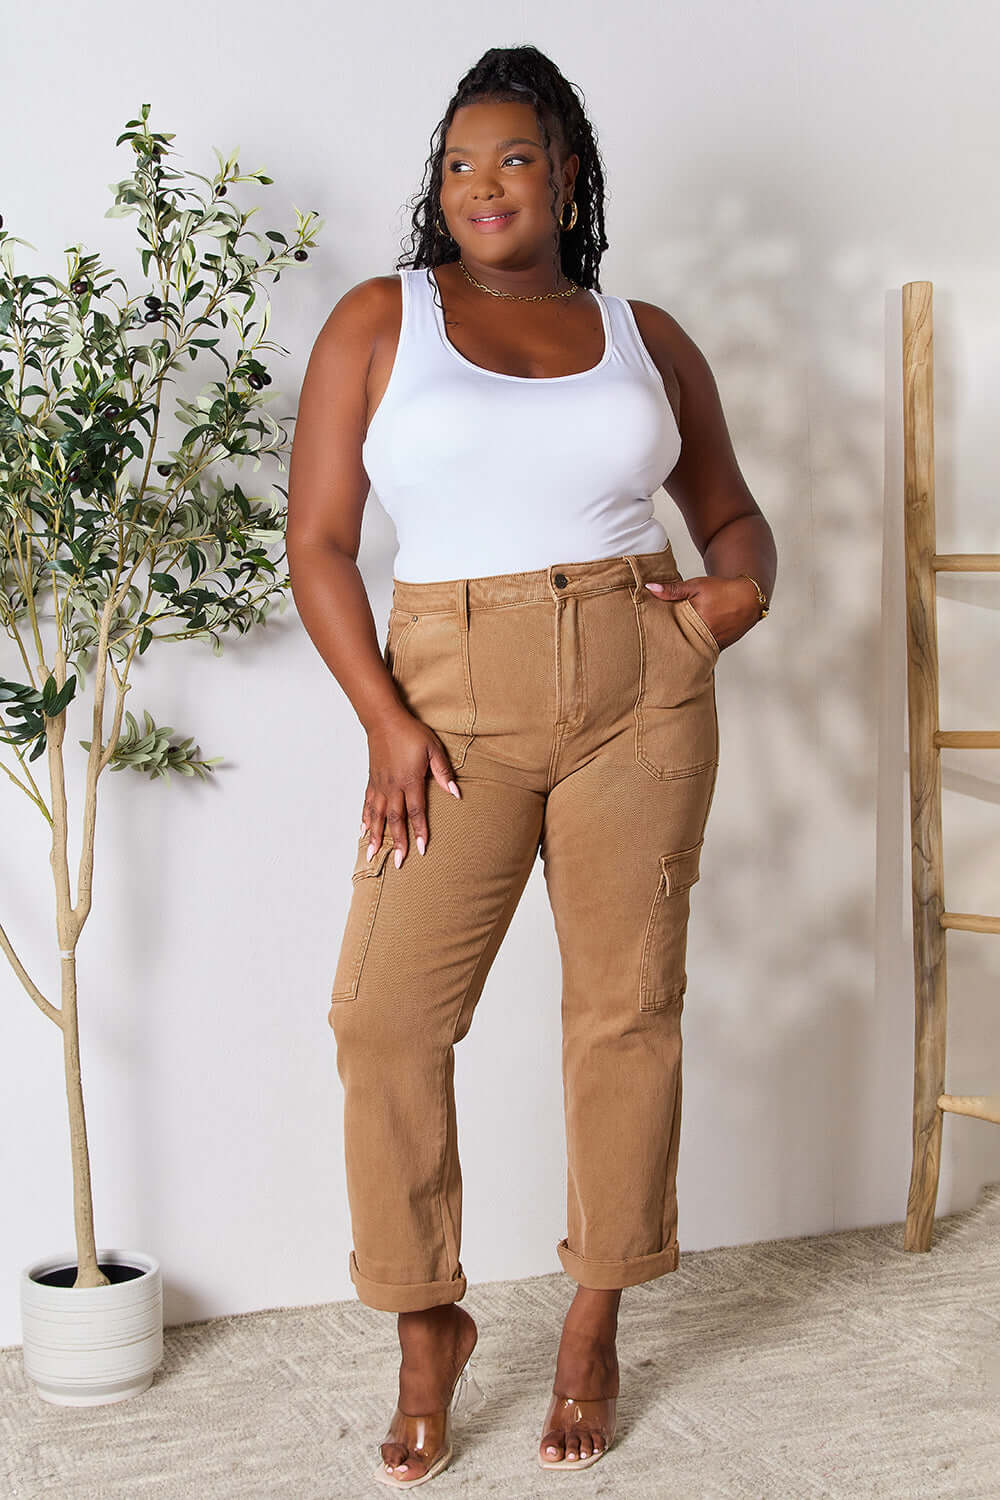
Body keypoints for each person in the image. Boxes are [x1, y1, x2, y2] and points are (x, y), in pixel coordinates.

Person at [287, 42, 776, 1489]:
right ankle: (426, 1319)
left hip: (640, 689)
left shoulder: (645, 331)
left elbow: (730, 515)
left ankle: (595, 1314)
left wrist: (732, 601)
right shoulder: (385, 321)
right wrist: (386, 718)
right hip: (449, 700)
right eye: (457, 163)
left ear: (568, 173)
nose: (482, 184)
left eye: (513, 157)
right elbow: (318, 545)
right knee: (381, 1017)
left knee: (624, 1012)